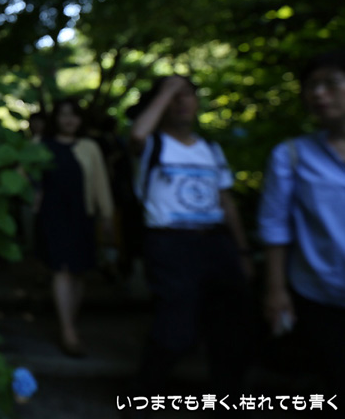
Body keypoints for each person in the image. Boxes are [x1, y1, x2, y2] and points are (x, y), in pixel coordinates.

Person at [127, 75, 252, 398]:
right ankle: (144, 394)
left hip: (215, 242)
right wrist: (166, 88)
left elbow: (226, 201)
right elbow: (137, 133)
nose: (181, 101)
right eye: (173, 96)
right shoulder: (153, 144)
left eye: (188, 95)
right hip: (169, 243)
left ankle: (227, 399)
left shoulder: (211, 149)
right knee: (175, 327)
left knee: (229, 328)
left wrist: (241, 251)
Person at [257, 50, 345, 397]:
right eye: (311, 87)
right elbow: (274, 225)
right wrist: (275, 290)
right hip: (320, 296)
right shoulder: (291, 155)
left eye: (330, 84)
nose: (318, 94)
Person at [34, 98, 114, 357]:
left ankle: (70, 320)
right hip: (52, 215)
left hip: (82, 215)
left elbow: (100, 182)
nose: (69, 120)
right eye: (63, 114)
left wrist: (107, 215)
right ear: (55, 118)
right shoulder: (40, 145)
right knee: (62, 269)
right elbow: (24, 177)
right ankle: (67, 331)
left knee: (79, 271)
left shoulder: (90, 147)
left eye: (74, 115)